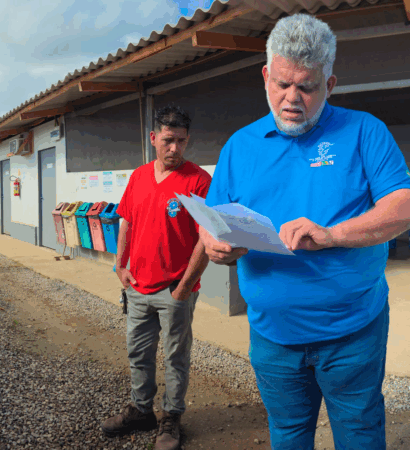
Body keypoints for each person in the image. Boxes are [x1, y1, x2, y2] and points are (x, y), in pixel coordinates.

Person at [201, 14, 410, 450]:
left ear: (329, 85)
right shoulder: (239, 147)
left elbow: (402, 207)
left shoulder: (364, 131)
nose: (292, 98)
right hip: (272, 337)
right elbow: (213, 223)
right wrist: (216, 245)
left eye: (307, 87)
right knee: (289, 435)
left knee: (360, 435)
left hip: (353, 333)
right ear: (265, 76)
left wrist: (332, 235)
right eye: (282, 84)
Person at [101, 107, 211, 450]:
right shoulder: (138, 177)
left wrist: (183, 288)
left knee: (175, 357)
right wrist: (120, 266)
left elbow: (206, 239)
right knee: (138, 353)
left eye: (181, 141)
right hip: (137, 287)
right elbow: (127, 221)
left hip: (174, 290)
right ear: (153, 138)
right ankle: (141, 410)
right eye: (168, 140)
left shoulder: (198, 181)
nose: (174, 148)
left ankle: (171, 417)